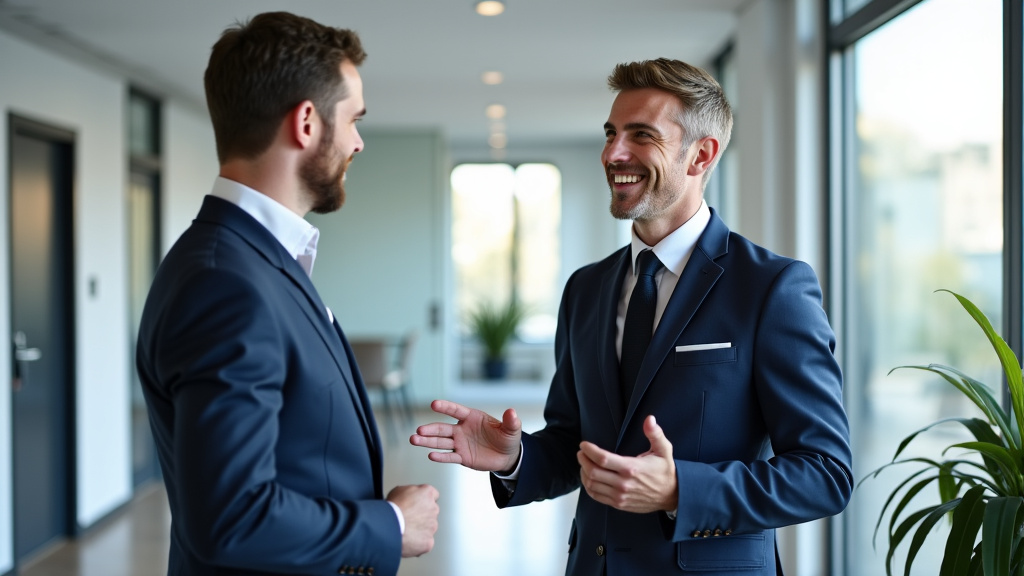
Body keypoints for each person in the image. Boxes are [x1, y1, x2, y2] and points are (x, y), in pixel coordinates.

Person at [410, 58, 852, 575]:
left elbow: (825, 473)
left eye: (641, 135)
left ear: (701, 155)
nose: (614, 153)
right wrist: (516, 459)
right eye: (611, 133)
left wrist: (680, 490)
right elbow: (578, 442)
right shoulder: (586, 288)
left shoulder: (771, 287)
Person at [136, 12, 439, 576]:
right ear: (306, 122)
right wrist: (391, 525)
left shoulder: (251, 261)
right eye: (353, 120)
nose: (358, 142)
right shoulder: (224, 284)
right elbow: (231, 517)